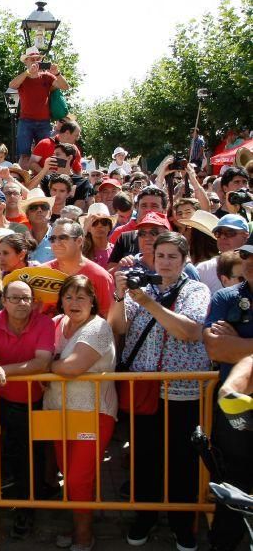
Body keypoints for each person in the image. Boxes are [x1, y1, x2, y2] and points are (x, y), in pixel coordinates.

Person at [108, 231, 211, 550]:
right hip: (144, 388)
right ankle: (145, 517)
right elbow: (118, 327)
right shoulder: (143, 288)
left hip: (184, 389)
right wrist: (119, 296)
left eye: (172, 257)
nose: (165, 262)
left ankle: (183, 525)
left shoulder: (197, 289)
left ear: (184, 260)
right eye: (160, 256)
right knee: (144, 457)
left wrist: (148, 303)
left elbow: (190, 331)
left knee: (183, 459)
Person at [0, 279, 54, 538]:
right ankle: (8, 504)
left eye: (26, 299)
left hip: (34, 401)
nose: (21, 303)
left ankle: (27, 510)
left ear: (33, 302)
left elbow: (42, 362)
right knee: (3, 455)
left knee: (31, 457)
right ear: (4, 301)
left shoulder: (43, 323)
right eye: (15, 298)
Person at [45, 275, 117, 550]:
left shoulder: (98, 328)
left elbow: (72, 367)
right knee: (68, 473)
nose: (74, 302)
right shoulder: (55, 324)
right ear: (61, 299)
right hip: (56, 410)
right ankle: (77, 529)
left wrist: (47, 364)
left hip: (93, 412)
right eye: (69, 296)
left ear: (93, 301)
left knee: (78, 476)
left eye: (81, 297)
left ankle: (85, 536)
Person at [202, 237, 253, 551]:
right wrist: (231, 347)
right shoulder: (225, 297)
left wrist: (240, 346)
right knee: (232, 483)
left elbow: (229, 348)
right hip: (233, 408)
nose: (249, 261)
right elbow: (216, 347)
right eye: (246, 255)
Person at [9, 46, 70, 171]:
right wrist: (27, 72)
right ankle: (23, 181)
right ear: (26, 61)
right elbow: (12, 85)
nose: (35, 61)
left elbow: (65, 87)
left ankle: (44, 181)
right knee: (24, 155)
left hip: (44, 122)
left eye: (37, 59)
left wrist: (57, 73)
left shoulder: (46, 76)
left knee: (46, 153)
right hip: (25, 121)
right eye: (32, 59)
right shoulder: (23, 77)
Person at [43, 219, 115, 316]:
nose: (56, 243)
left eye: (62, 238)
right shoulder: (42, 272)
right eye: (52, 239)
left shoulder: (100, 276)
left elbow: (108, 317)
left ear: (79, 241)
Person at [80, 203, 116, 267]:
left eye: (104, 222)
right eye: (94, 222)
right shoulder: (81, 250)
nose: (100, 226)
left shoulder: (116, 251)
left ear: (110, 227)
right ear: (89, 228)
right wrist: (84, 229)